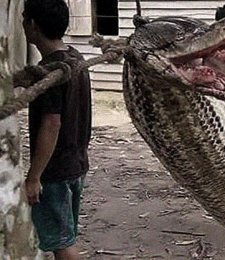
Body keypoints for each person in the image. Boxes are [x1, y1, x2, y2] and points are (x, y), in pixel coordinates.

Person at [22, 0, 92, 259]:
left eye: (23, 18)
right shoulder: (75, 58)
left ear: (32, 25)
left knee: (62, 243)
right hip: (76, 164)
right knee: (64, 235)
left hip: (56, 170)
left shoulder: (51, 72)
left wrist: (34, 177)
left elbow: (52, 123)